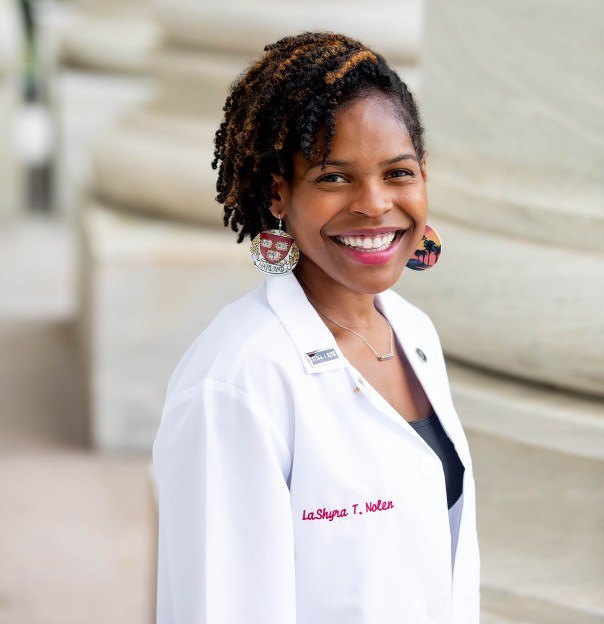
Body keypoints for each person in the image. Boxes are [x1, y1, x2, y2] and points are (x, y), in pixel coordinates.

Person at [153, 31, 480, 624]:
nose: (375, 204)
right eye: (334, 178)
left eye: (398, 172)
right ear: (279, 193)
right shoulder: (237, 381)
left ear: (424, 174)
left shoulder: (413, 334)